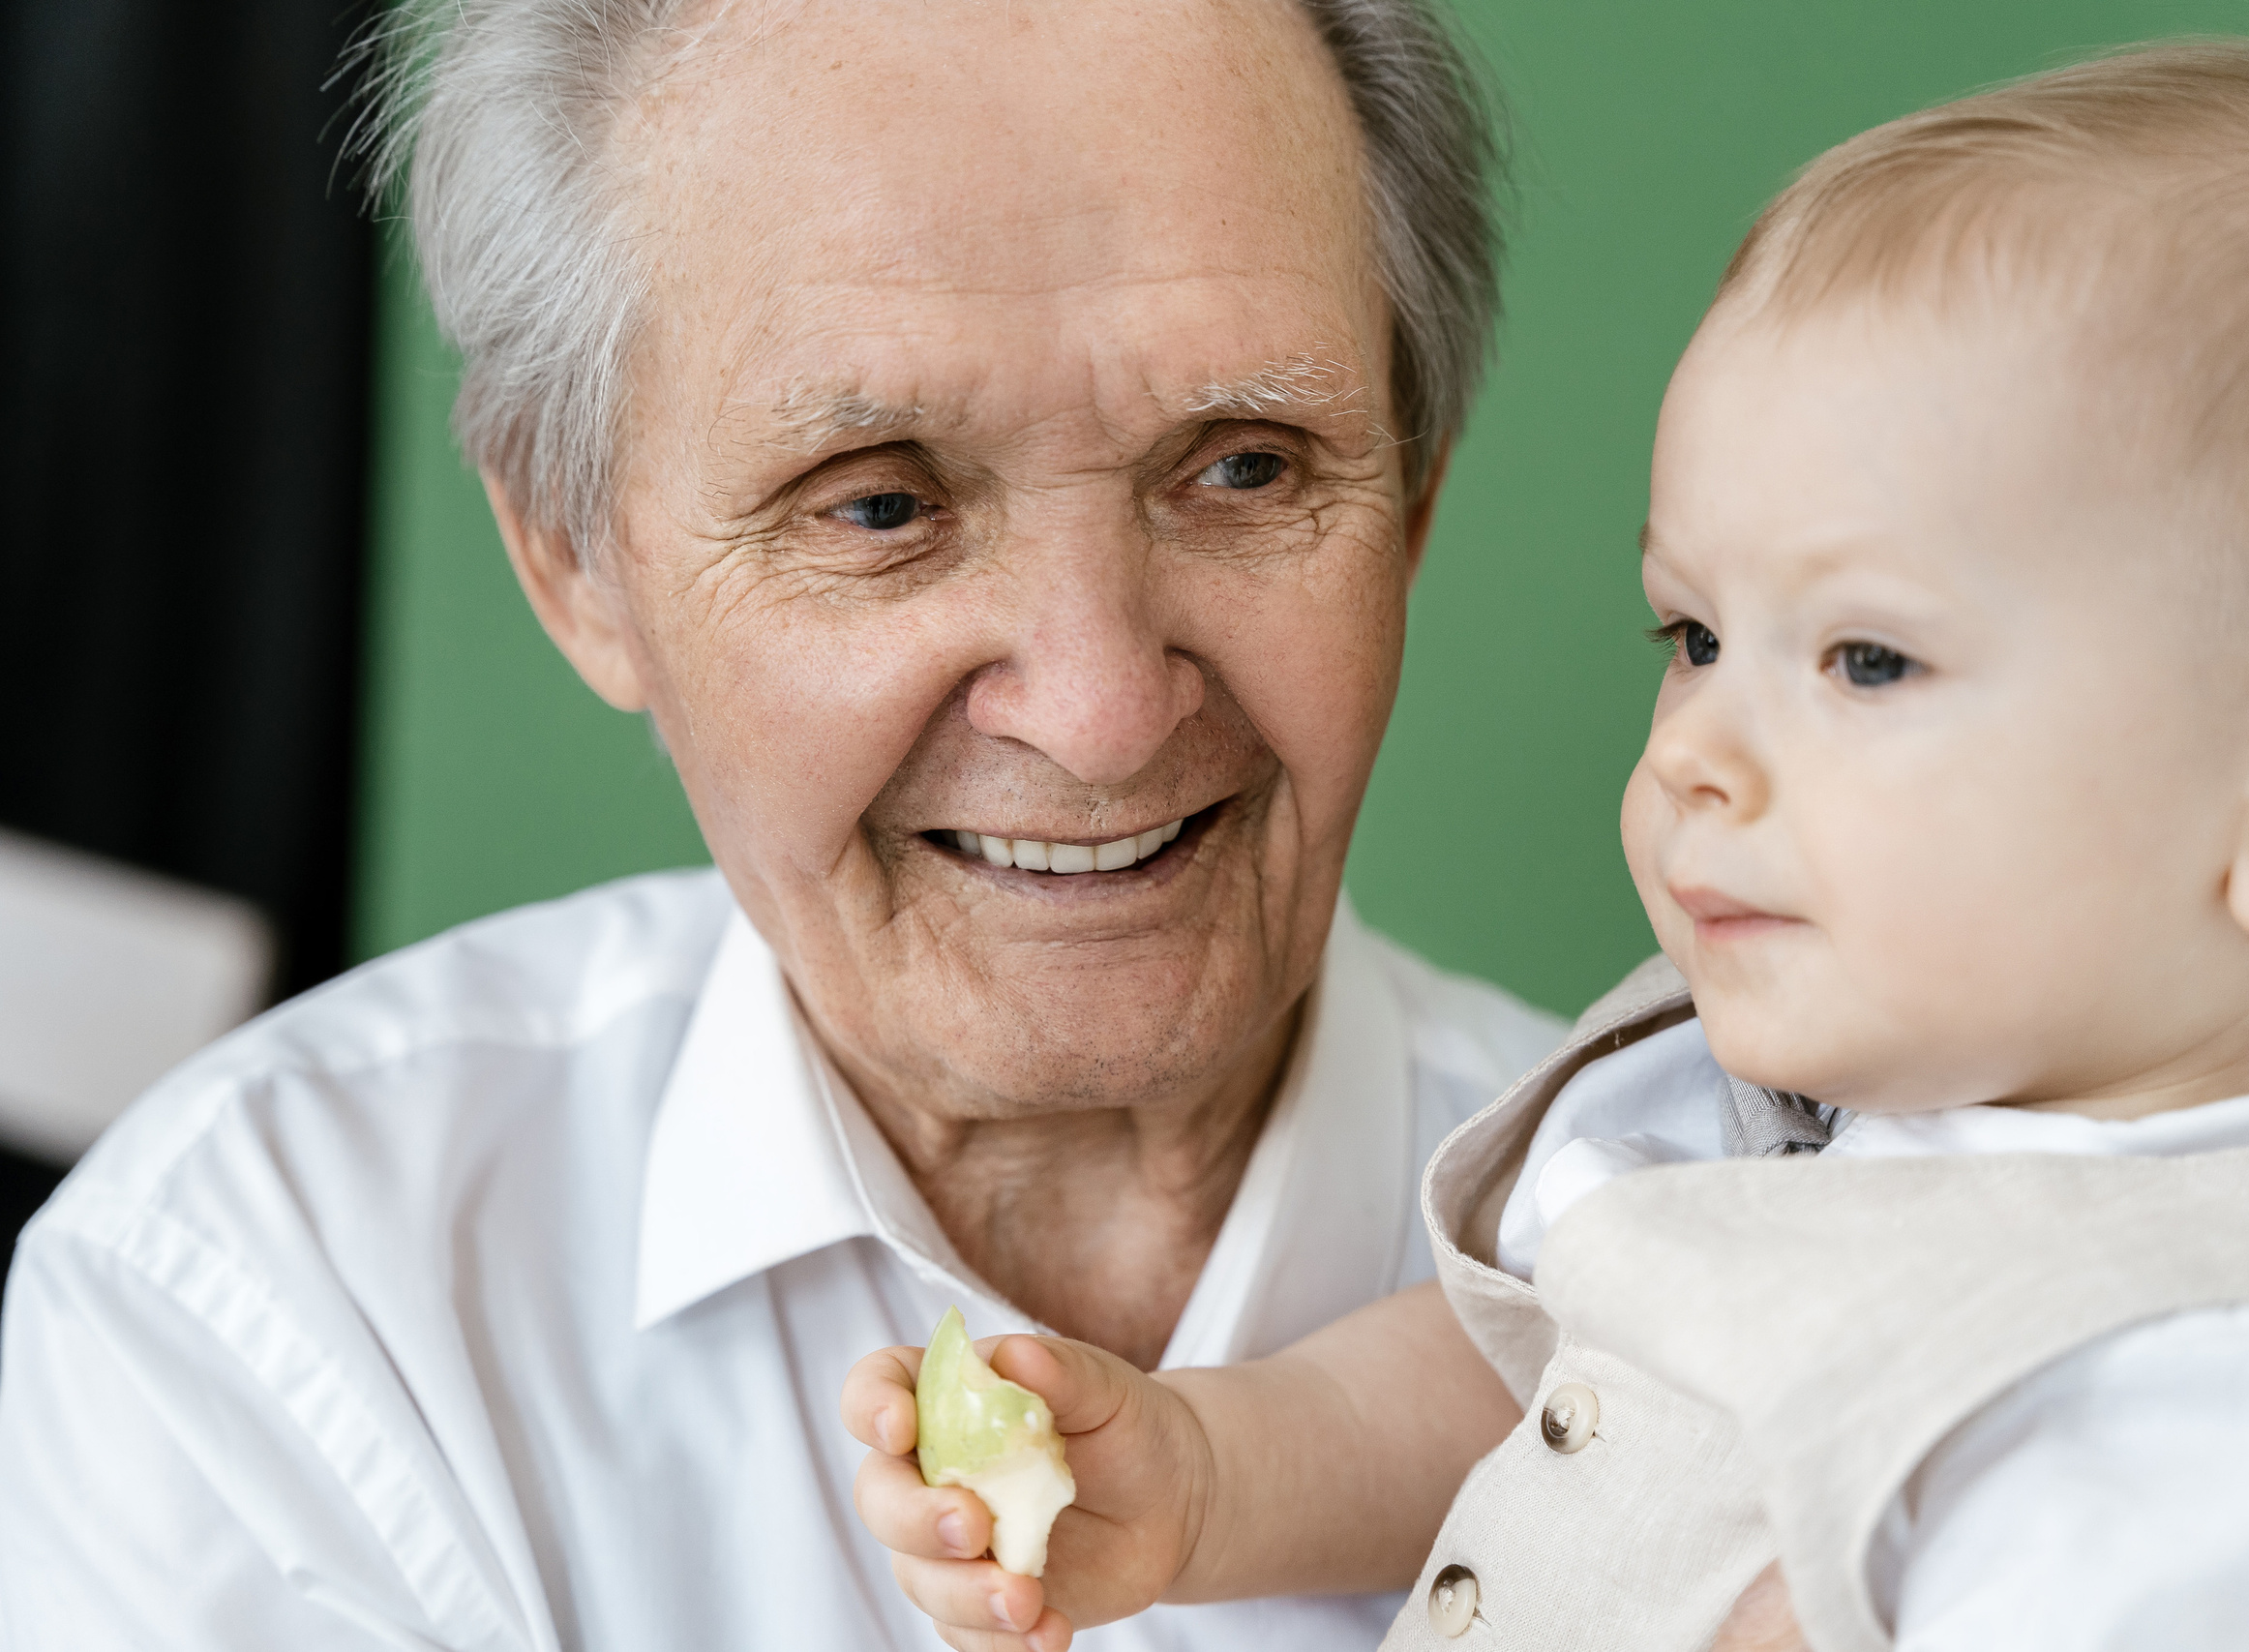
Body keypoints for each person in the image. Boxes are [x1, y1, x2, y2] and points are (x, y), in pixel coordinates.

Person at [844, 40, 2249, 1652]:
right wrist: (1210, 1474)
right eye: (1692, 636)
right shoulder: (1794, 1110)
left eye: (1866, 660)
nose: (1694, 752)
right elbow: (1544, 1380)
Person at [0, 3, 1572, 1648]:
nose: (1101, 710)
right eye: (881, 503)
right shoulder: (280, 1294)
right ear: (573, 563)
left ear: (1411, 502)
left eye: (1244, 469)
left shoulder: (1718, 1252)